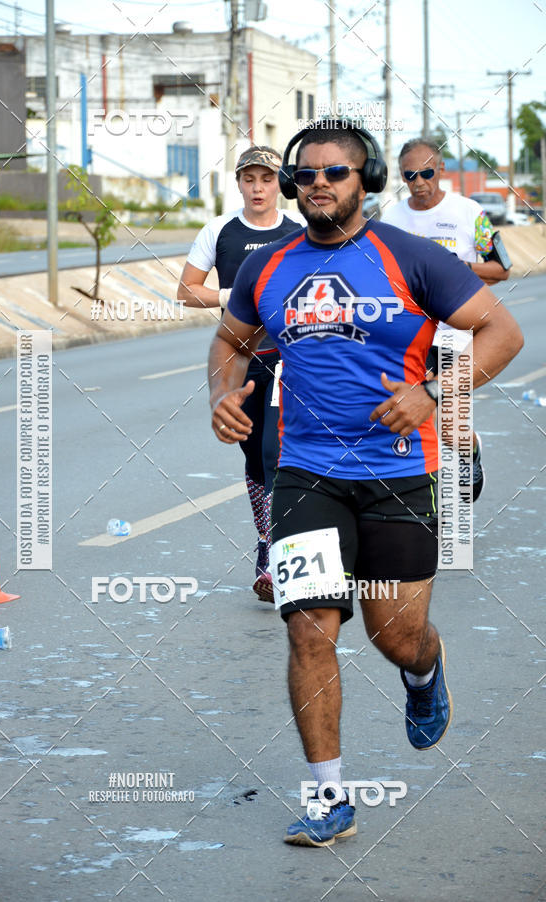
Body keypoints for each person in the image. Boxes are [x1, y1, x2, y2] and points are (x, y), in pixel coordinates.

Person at [208, 121, 523, 847]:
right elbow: (231, 339)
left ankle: (424, 670)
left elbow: (502, 334)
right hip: (304, 472)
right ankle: (329, 798)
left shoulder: (411, 259)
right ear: (292, 183)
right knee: (309, 627)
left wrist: (435, 393)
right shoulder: (267, 266)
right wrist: (224, 394)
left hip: (399, 475)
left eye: (336, 173)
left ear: (366, 180)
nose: (319, 183)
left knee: (395, 635)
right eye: (307, 173)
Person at [178, 146, 303, 602]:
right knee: (253, 458)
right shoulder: (220, 230)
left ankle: (274, 554)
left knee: (276, 454)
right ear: (238, 184)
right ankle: (266, 541)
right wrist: (230, 296)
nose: (258, 188)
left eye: (267, 180)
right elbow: (186, 291)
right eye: (249, 179)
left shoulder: (300, 231)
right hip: (242, 359)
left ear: (280, 185)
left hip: (292, 359)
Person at [382, 138, 511, 501]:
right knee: (409, 418)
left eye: (426, 173)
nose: (419, 181)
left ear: (441, 170)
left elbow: (501, 268)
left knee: (452, 427)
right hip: (411, 336)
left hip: (455, 335)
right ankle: (422, 502)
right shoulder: (392, 220)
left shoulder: (469, 211)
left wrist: (455, 269)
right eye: (410, 175)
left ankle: (469, 452)